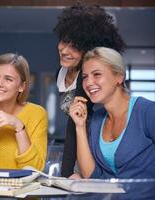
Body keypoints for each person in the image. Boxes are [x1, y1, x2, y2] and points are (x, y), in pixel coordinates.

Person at [53, 3, 126, 177]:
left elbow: (76, 126)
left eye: (75, 46)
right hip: (80, 144)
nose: (64, 50)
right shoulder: (60, 73)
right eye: (63, 41)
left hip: (94, 151)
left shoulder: (87, 81)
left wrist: (67, 173)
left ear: (90, 49)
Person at [69, 47, 155, 179]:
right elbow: (91, 175)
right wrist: (79, 126)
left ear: (119, 77)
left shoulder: (147, 112)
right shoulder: (97, 119)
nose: (89, 83)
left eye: (97, 74)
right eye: (85, 77)